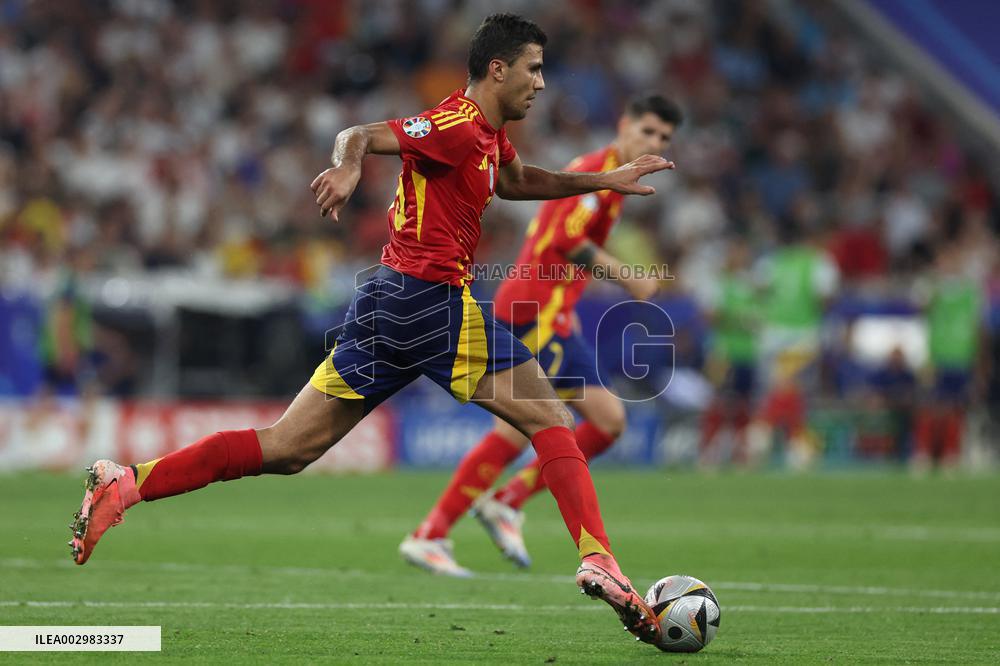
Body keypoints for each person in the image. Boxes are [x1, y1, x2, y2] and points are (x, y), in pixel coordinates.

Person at [68, 13, 673, 645]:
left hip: (386, 304)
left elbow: (519, 182)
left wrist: (602, 180)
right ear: (499, 69)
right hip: (431, 300)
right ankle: (598, 557)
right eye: (534, 68)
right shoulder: (455, 125)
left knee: (287, 448)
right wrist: (349, 166)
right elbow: (359, 133)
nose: (542, 84)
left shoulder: (491, 137)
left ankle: (128, 483)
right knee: (551, 419)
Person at [400, 93, 682, 574]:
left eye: (664, 138)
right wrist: (628, 274)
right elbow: (566, 241)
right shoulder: (598, 172)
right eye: (648, 130)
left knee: (580, 422)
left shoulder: (604, 176)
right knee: (546, 424)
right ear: (624, 123)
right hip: (535, 313)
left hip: (550, 312)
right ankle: (449, 525)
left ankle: (476, 514)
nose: (653, 142)